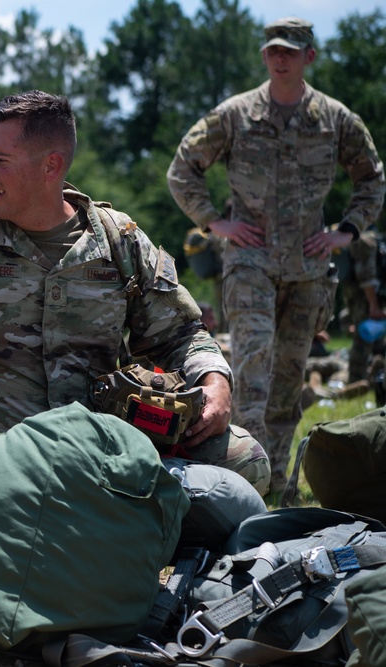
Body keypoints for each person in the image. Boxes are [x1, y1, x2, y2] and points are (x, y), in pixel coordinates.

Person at [0, 90, 270, 494]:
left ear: (51, 166)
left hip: (98, 449)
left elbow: (182, 334)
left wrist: (216, 386)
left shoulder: (118, 243)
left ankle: (133, 531)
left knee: (243, 462)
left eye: (1, 160)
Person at [167, 17, 385, 492]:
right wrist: (213, 222)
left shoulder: (335, 119)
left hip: (309, 267)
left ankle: (277, 479)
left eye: (290, 50)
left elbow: (372, 179)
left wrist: (346, 231)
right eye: (272, 50)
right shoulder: (236, 114)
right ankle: (244, 479)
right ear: (265, 56)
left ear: (309, 56)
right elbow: (182, 168)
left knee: (288, 374)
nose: (279, 57)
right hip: (250, 262)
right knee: (252, 367)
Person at [339, 231, 385, 383]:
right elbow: (366, 276)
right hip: (365, 297)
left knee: (374, 339)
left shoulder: (371, 240)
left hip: (364, 295)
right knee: (363, 338)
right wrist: (374, 305)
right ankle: (356, 380)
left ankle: (375, 377)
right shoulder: (367, 243)